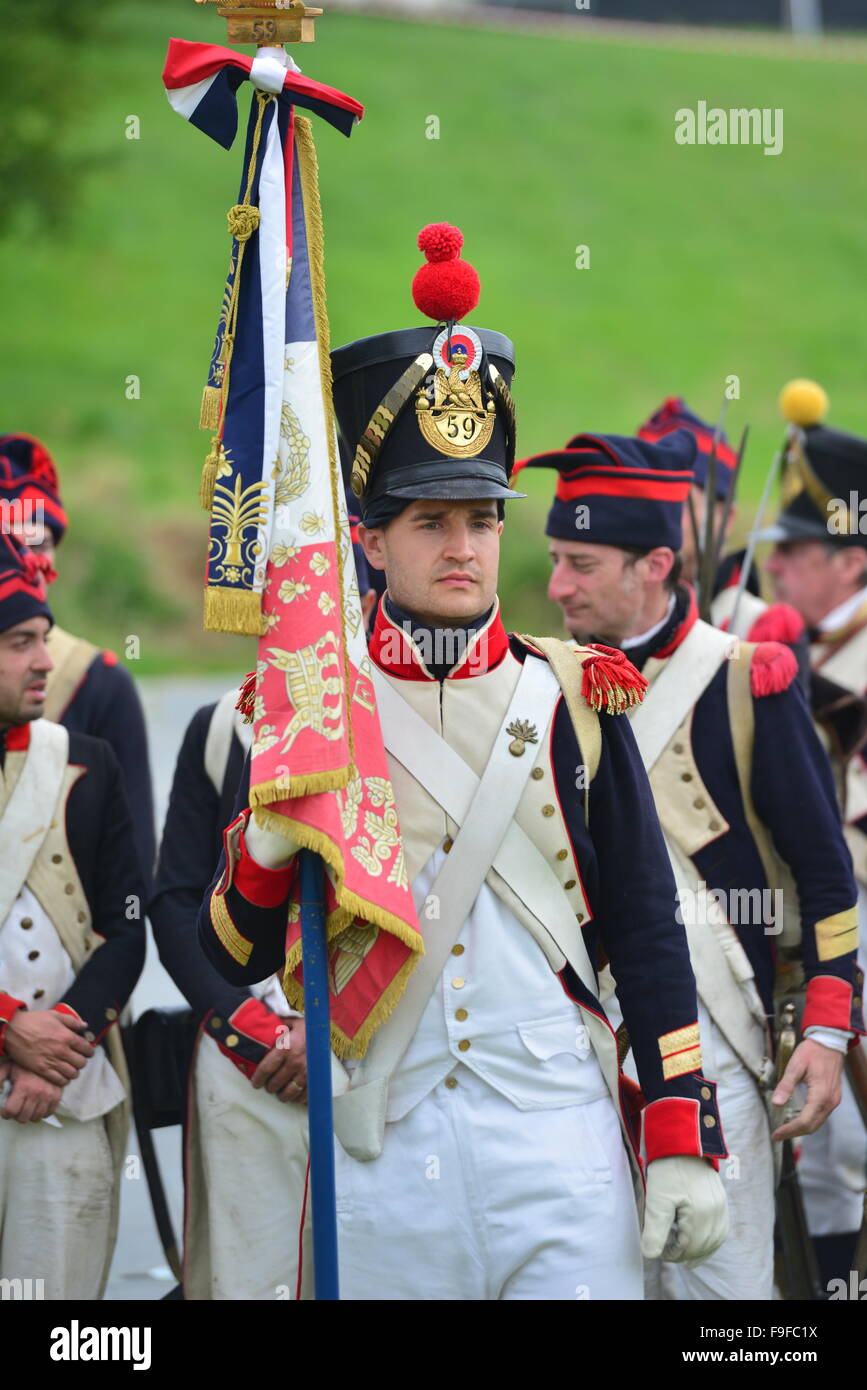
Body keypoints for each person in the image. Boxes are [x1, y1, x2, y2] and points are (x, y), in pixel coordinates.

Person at [196, 223, 728, 1302]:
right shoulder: (308, 705)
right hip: (383, 1142)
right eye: (430, 520)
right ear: (371, 540)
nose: (464, 547)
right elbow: (235, 949)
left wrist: (678, 1124)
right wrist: (262, 838)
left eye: (483, 520)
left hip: (558, 1144)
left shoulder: (578, 694)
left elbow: (639, 920)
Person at [518, 426, 864, 1299]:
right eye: (555, 559)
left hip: (721, 1048)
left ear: (656, 565)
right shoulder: (540, 687)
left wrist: (825, 1031)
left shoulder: (749, 682)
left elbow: (824, 875)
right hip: (580, 1051)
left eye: (582, 565)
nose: (556, 587)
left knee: (723, 1303)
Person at [148, 494, 375, 1300]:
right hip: (247, 1058)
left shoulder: (396, 723)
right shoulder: (219, 728)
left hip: (372, 1050)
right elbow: (174, 903)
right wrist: (246, 1025)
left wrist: (326, 1029)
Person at [0, 531, 145, 1298]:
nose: (45, 662)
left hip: (62, 1088)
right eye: (20, 642)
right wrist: (7, 1030)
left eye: (43, 640)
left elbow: (128, 929)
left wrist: (57, 1046)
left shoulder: (85, 765)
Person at [756, 380, 867, 1284]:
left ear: (851, 560)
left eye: (794, 549)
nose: (776, 565)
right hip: (817, 922)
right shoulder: (796, 645)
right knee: (821, 1154)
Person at [0, 432, 155, 888]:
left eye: (39, 546)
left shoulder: (101, 683)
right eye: (10, 545)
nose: (27, 564)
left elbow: (134, 871)